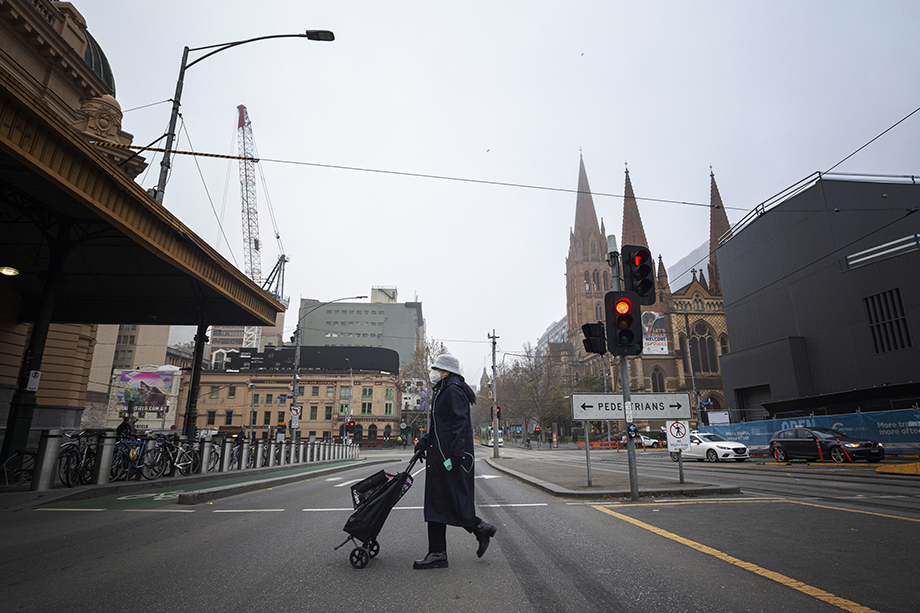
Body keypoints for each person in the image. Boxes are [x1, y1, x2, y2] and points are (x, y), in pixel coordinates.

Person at [413, 354, 496, 570]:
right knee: (443, 502)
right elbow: (440, 427)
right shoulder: (444, 389)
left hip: (447, 457)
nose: (434, 372)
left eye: (437, 368)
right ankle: (478, 529)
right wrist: (424, 442)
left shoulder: (452, 390)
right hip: (441, 454)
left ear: (446, 371)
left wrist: (455, 456)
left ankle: (438, 553)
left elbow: (460, 423)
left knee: (438, 503)